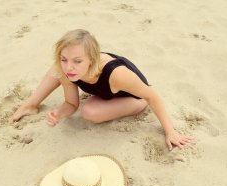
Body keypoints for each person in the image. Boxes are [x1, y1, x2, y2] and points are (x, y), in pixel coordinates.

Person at [12, 29, 191, 150]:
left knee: (90, 112)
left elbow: (152, 95)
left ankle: (137, 105)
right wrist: (59, 113)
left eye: (77, 61)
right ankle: (30, 104)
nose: (69, 67)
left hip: (135, 97)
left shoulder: (116, 74)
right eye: (64, 58)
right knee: (56, 70)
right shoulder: (66, 69)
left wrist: (170, 131)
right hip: (107, 93)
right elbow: (71, 103)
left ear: (92, 58)